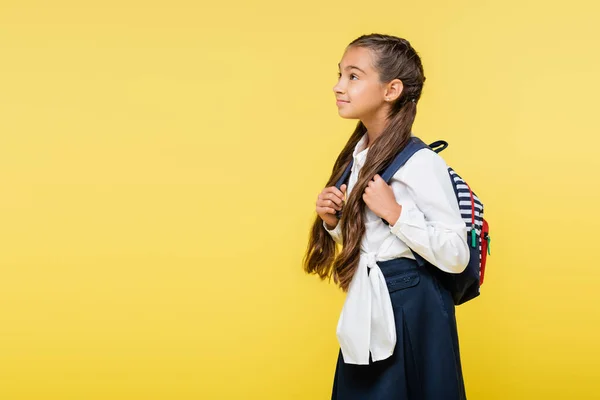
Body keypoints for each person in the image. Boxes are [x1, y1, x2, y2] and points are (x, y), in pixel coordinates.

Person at [302, 33, 471, 399]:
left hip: (415, 307)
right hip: (371, 301)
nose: (338, 86)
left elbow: (457, 255)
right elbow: (375, 244)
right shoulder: (359, 156)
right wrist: (334, 224)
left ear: (391, 89)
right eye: (340, 75)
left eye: (353, 76)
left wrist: (395, 212)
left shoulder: (422, 162)